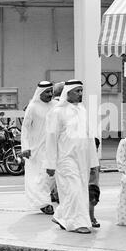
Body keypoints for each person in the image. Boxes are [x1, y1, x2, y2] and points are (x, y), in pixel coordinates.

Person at [44, 79, 99, 234]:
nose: (81, 94)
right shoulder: (57, 112)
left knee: (79, 190)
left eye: (82, 91)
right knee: (74, 190)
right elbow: (51, 138)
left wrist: (93, 160)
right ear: (68, 92)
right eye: (77, 91)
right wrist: (50, 164)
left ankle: (61, 215)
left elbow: (89, 136)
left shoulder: (82, 110)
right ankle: (77, 223)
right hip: (65, 159)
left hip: (82, 159)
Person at [21, 81, 57, 215]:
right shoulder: (33, 107)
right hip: (36, 149)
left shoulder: (55, 105)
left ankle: (47, 197)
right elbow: (25, 128)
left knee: (51, 175)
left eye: (51, 91)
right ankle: (44, 202)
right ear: (40, 93)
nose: (50, 94)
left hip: (52, 146)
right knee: (39, 176)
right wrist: (25, 147)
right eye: (47, 92)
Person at [89, 137, 101, 228]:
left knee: (93, 202)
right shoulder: (88, 159)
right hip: (90, 185)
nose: (96, 150)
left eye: (96, 148)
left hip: (95, 185)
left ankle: (90, 218)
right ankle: (92, 219)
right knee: (91, 202)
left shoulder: (96, 159)